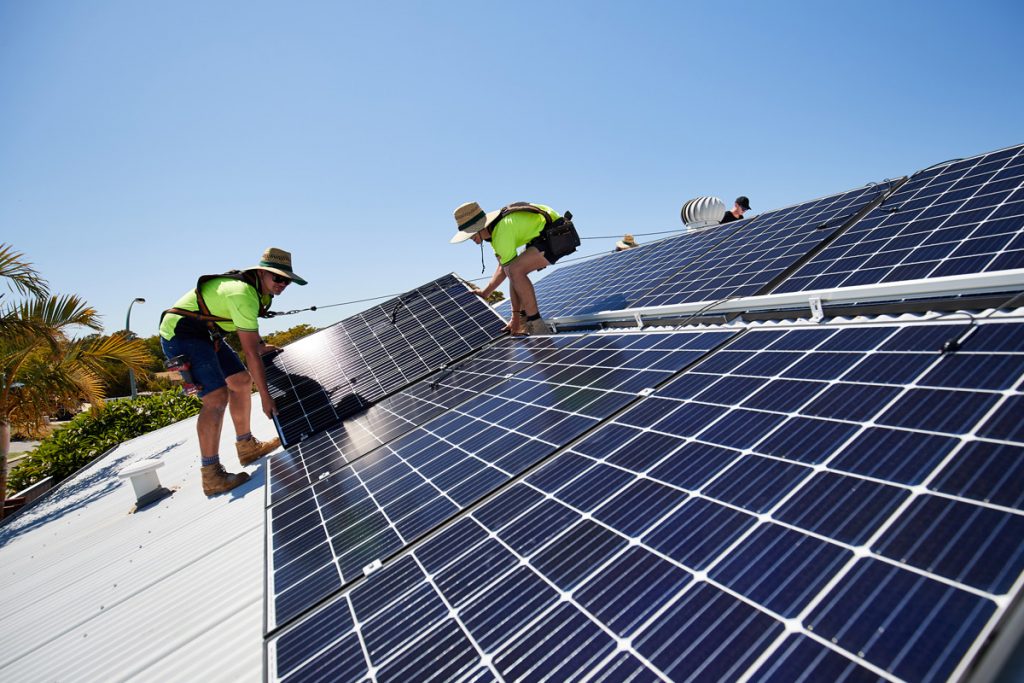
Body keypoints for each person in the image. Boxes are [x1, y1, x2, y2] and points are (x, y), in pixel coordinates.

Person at [159, 247, 307, 496]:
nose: (282, 284)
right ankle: (211, 475)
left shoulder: (262, 292)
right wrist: (265, 396)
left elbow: (249, 333)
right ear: (261, 273)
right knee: (216, 397)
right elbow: (250, 353)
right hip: (181, 333)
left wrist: (260, 345)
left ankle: (246, 446)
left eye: (287, 280)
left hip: (207, 333)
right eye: (277, 278)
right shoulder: (242, 293)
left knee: (240, 381)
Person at [450, 201, 572, 336]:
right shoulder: (494, 232)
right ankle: (524, 316)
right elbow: (503, 268)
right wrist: (486, 292)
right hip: (544, 233)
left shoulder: (501, 233)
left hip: (559, 233)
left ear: (480, 227)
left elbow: (511, 273)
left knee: (516, 271)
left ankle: (536, 324)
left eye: (471, 233)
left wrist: (515, 317)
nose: (470, 238)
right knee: (514, 270)